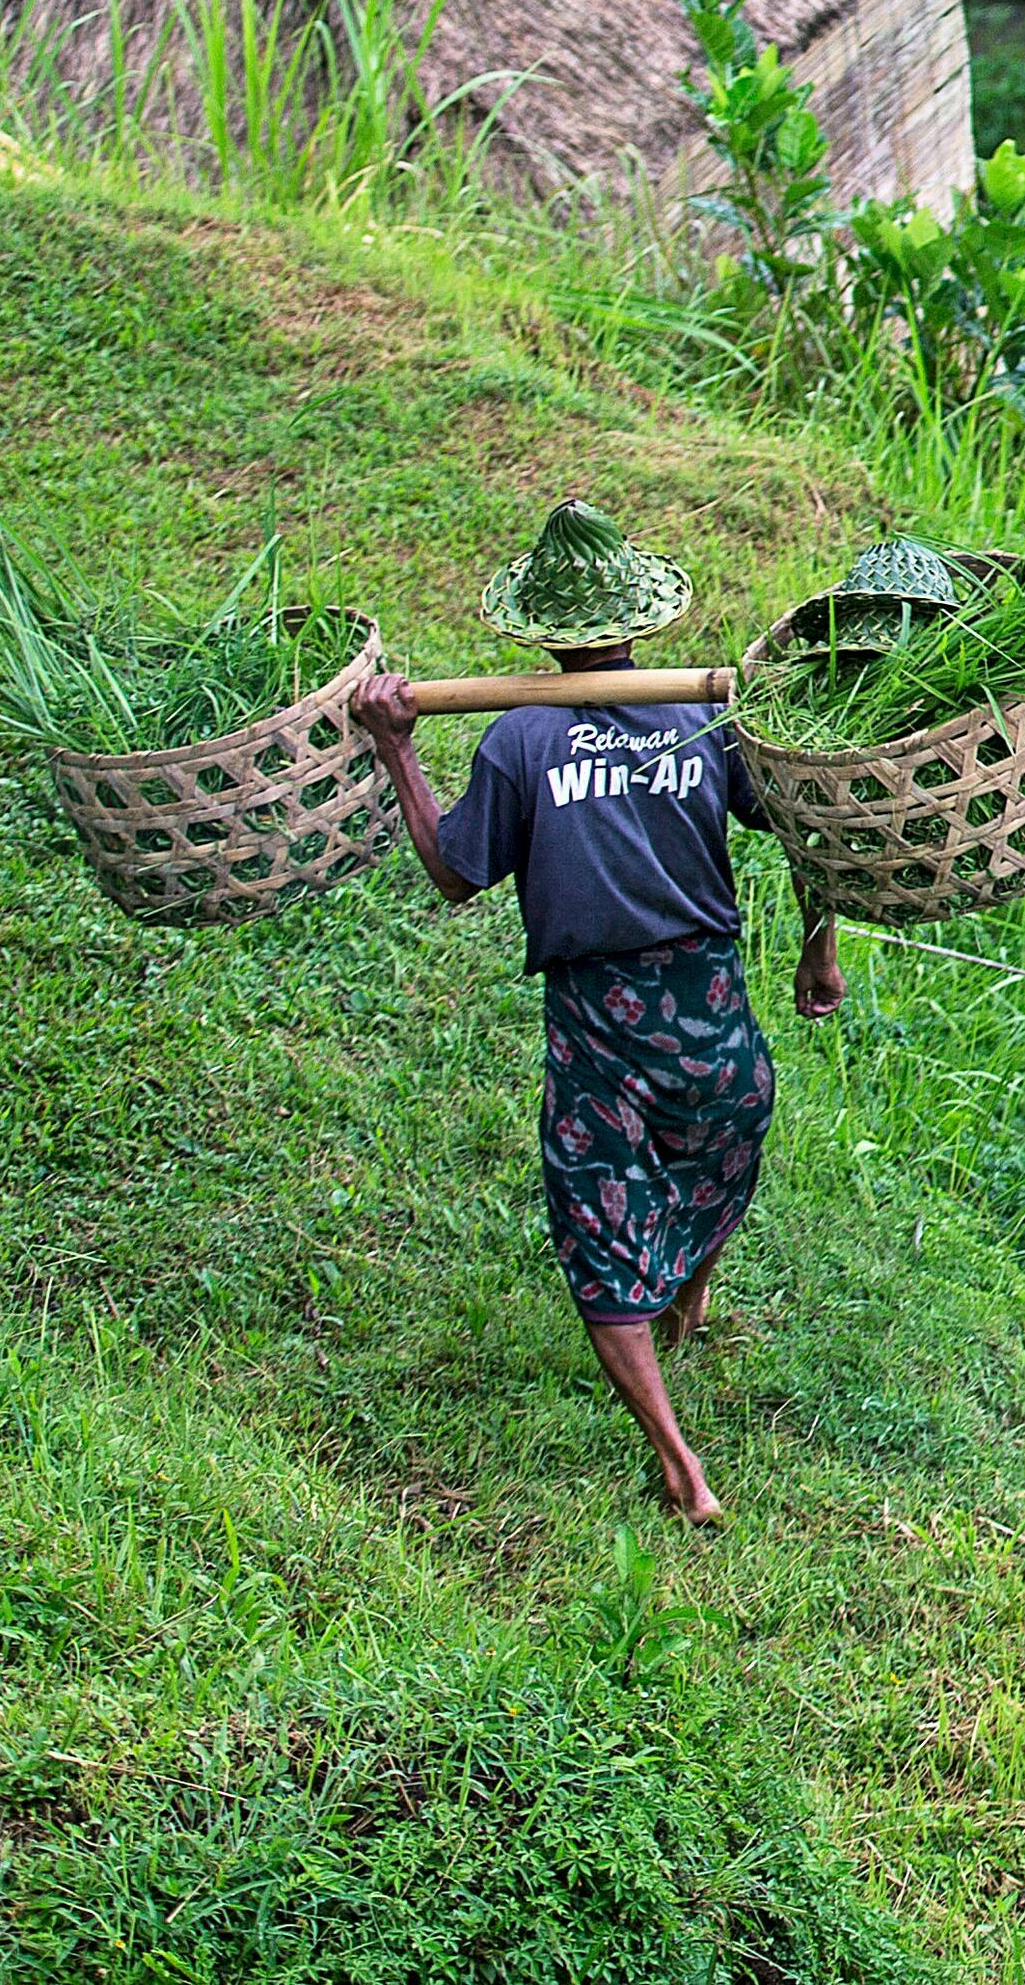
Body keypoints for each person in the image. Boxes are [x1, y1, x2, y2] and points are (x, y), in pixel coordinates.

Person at [351, 500, 840, 1529]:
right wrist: (817, 941)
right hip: (690, 1010)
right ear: (638, 619)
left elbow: (452, 874)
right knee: (720, 1144)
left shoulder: (537, 736)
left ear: (540, 631)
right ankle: (683, 1413)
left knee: (607, 1214)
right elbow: (812, 830)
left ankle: (679, 1426)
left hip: (622, 1015)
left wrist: (398, 752)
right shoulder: (669, 720)